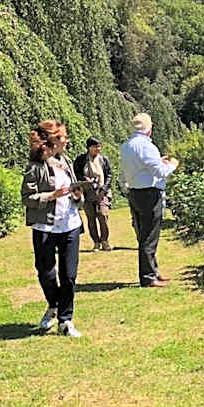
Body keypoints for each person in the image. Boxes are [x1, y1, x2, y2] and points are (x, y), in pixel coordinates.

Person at [21, 120, 84, 337]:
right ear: (52, 141)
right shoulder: (35, 167)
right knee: (46, 273)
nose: (66, 140)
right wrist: (51, 196)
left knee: (69, 275)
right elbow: (27, 198)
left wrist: (78, 195)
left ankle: (65, 321)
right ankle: (53, 305)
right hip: (45, 227)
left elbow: (75, 192)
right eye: (63, 137)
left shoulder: (66, 162)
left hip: (70, 225)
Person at [119, 113, 179, 288]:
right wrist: (172, 164)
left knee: (143, 234)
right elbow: (160, 172)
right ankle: (148, 277)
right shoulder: (147, 146)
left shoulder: (127, 146)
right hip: (150, 194)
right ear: (149, 129)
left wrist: (158, 161)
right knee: (149, 236)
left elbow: (138, 167)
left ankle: (153, 271)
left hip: (135, 192)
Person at [74, 137, 113, 251]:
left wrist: (104, 189)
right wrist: (84, 178)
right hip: (87, 192)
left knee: (102, 215)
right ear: (89, 148)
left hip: (102, 191)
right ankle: (96, 242)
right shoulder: (81, 160)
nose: (98, 149)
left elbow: (109, 175)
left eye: (99, 146)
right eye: (95, 147)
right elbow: (76, 173)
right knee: (91, 218)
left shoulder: (103, 159)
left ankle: (105, 240)